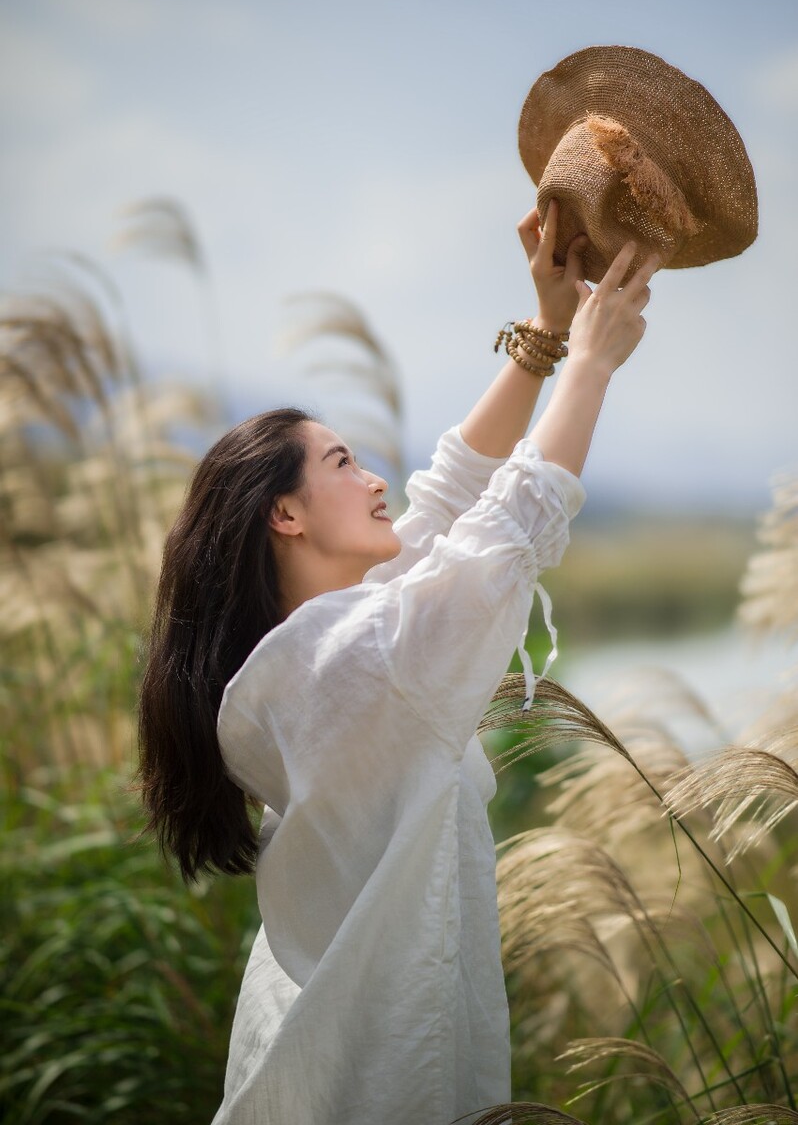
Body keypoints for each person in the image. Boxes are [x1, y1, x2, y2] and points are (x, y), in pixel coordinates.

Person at [137, 201, 658, 1125]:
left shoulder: (330, 650)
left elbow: (455, 494)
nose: (376, 478)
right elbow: (507, 529)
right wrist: (590, 362)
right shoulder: (348, 664)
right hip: (364, 1076)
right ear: (285, 517)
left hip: (322, 1051)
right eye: (343, 462)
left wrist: (543, 331)